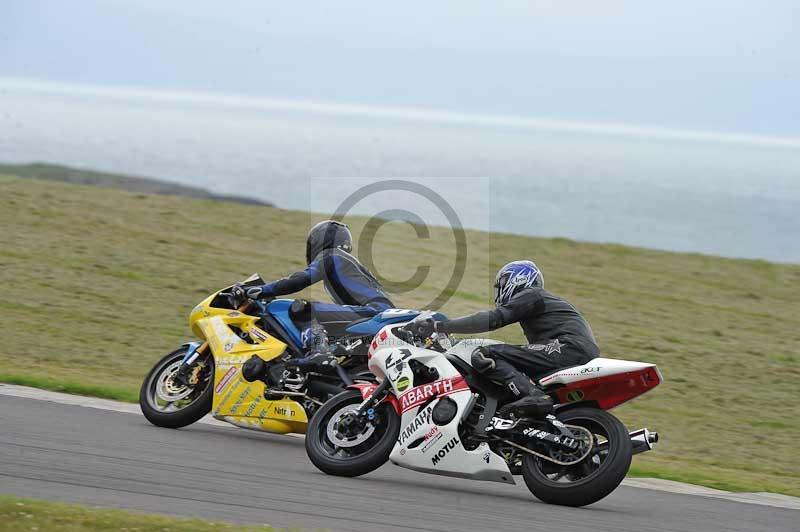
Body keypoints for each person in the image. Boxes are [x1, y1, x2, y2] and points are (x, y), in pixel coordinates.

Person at [412, 260, 599, 418]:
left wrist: (439, 326)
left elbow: (493, 319)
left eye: (502, 283)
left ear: (518, 279)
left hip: (567, 347)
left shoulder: (531, 295)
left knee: (485, 354)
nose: (499, 289)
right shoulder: (543, 302)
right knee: (515, 364)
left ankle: (534, 396)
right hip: (573, 349)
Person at [234, 220, 394, 367]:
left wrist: (259, 291)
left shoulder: (331, 255)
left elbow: (298, 281)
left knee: (304, 309)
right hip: (380, 316)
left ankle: (319, 352)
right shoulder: (348, 263)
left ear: (319, 242)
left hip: (372, 313)